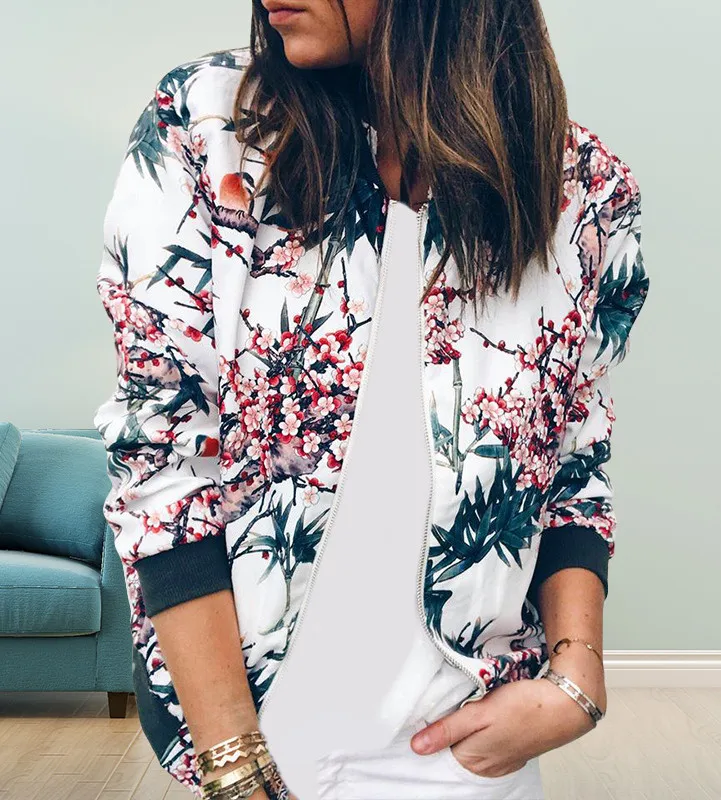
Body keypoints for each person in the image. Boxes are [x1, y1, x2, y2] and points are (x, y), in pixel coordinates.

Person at [92, 1, 650, 798]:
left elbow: (573, 456)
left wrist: (577, 679)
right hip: (256, 750)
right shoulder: (210, 129)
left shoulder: (582, 191)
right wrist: (235, 766)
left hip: (466, 749)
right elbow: (161, 456)